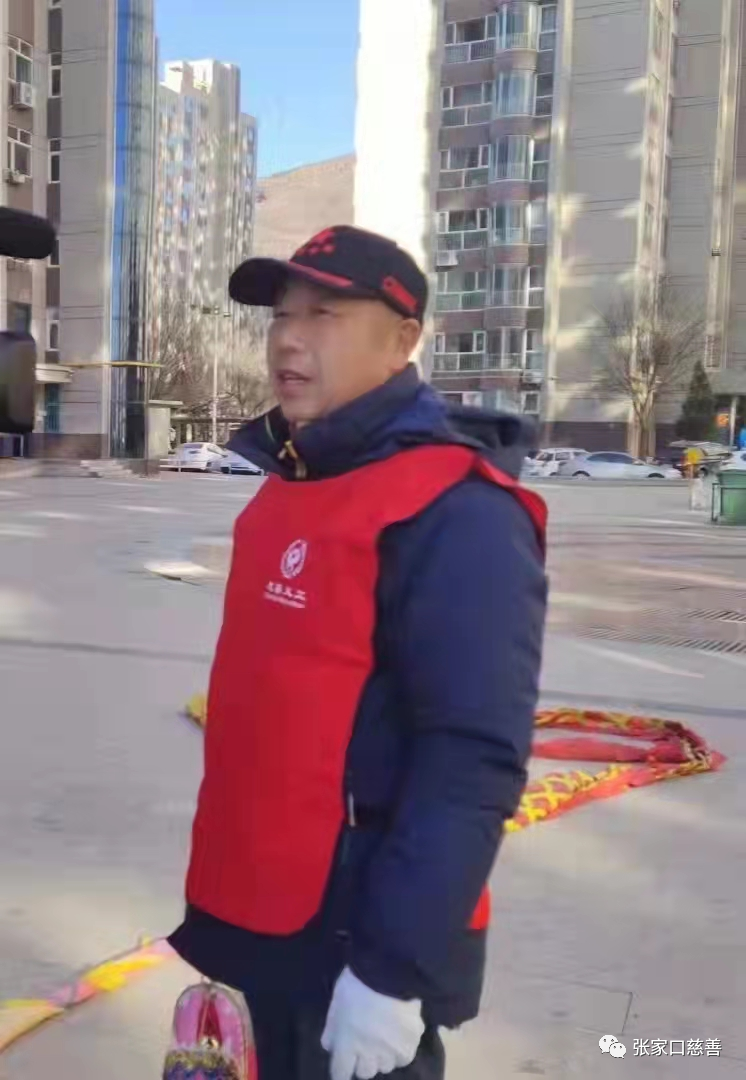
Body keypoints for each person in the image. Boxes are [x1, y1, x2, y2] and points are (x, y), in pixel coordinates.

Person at [169, 226, 547, 1080]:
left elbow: (472, 757)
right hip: (260, 916)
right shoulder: (290, 484)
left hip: (358, 942)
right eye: (281, 315)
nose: (288, 339)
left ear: (403, 339)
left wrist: (393, 973)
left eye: (324, 315)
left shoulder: (459, 513)